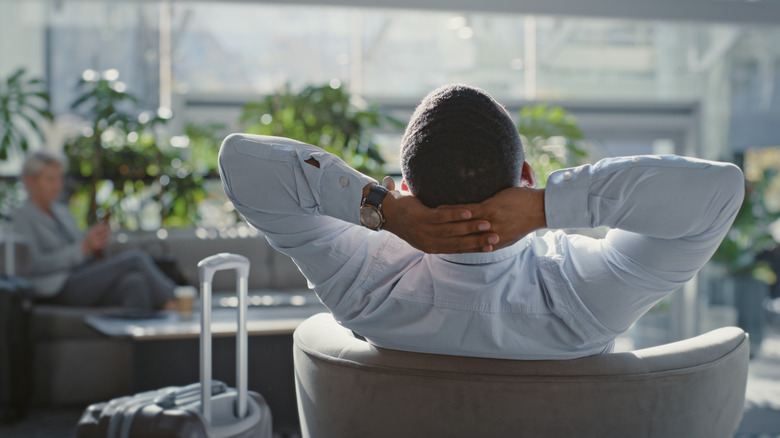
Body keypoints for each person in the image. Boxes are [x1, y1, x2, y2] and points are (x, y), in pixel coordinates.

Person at [218, 84, 744, 360]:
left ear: (404, 187)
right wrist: (545, 207)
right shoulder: (588, 299)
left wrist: (387, 212)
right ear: (527, 173)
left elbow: (239, 160)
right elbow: (719, 191)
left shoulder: (363, 285)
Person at [13, 151, 176, 310]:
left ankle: (143, 335)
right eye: (50, 179)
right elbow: (32, 264)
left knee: (134, 282)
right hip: (56, 287)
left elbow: (81, 249)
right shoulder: (20, 217)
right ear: (30, 181)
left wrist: (94, 243)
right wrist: (82, 249)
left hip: (83, 276)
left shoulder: (61, 212)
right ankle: (176, 300)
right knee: (135, 258)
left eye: (59, 179)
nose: (58, 185)